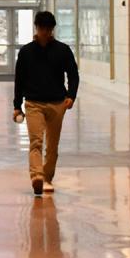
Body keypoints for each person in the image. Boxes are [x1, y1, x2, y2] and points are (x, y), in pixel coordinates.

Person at [13, 11, 79, 197]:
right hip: (33, 103)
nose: (44, 32)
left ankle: (47, 178)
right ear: (36, 28)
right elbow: (19, 80)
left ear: (52, 29)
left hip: (58, 103)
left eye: (48, 29)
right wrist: (17, 105)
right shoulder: (26, 52)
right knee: (36, 141)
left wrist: (71, 96)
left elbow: (73, 75)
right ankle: (37, 176)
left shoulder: (63, 50)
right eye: (42, 28)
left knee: (52, 145)